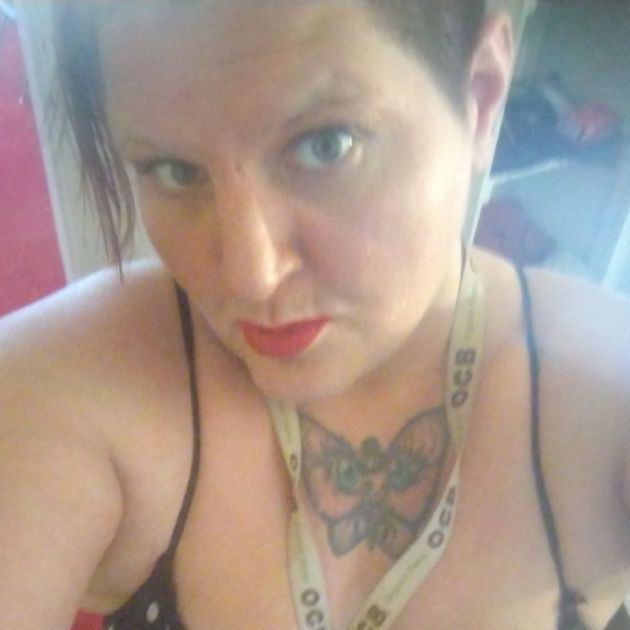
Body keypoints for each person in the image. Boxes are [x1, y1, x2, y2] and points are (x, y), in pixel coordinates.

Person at [1, 1, 629, 628]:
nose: (250, 276)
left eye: (327, 146)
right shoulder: (72, 387)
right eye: (176, 171)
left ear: (481, 97)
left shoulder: (603, 397)